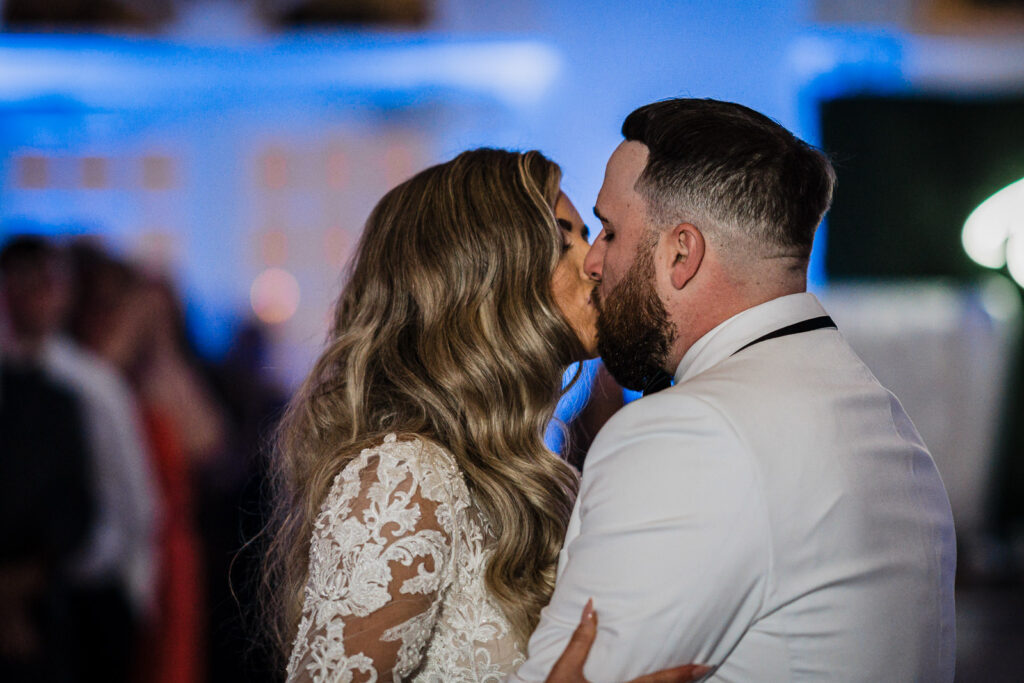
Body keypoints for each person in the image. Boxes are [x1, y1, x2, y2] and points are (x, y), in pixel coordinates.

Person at [514, 99, 957, 682]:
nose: (594, 262)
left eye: (611, 231)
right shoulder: (885, 420)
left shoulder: (688, 434)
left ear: (681, 253)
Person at [267, 148, 708, 683]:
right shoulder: (404, 480)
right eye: (561, 238)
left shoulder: (530, 473)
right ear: (482, 275)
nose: (594, 261)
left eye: (590, 235)